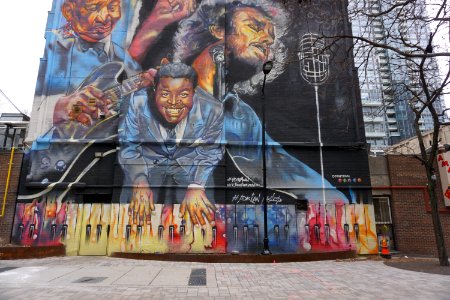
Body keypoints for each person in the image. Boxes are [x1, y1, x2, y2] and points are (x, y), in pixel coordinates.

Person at [172, 0, 349, 204]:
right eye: (254, 26)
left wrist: (333, 198)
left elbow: (274, 163)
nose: (266, 39)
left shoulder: (239, 114)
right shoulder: (159, 90)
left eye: (270, 40)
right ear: (219, 30)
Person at [119, 62, 224, 227]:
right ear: (155, 90)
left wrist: (197, 185)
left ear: (194, 93)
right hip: (147, 161)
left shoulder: (213, 109)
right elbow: (129, 147)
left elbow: (210, 151)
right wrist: (139, 181)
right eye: (165, 93)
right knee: (132, 205)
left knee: (204, 210)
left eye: (183, 94)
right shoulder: (138, 102)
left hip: (190, 163)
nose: (173, 102)